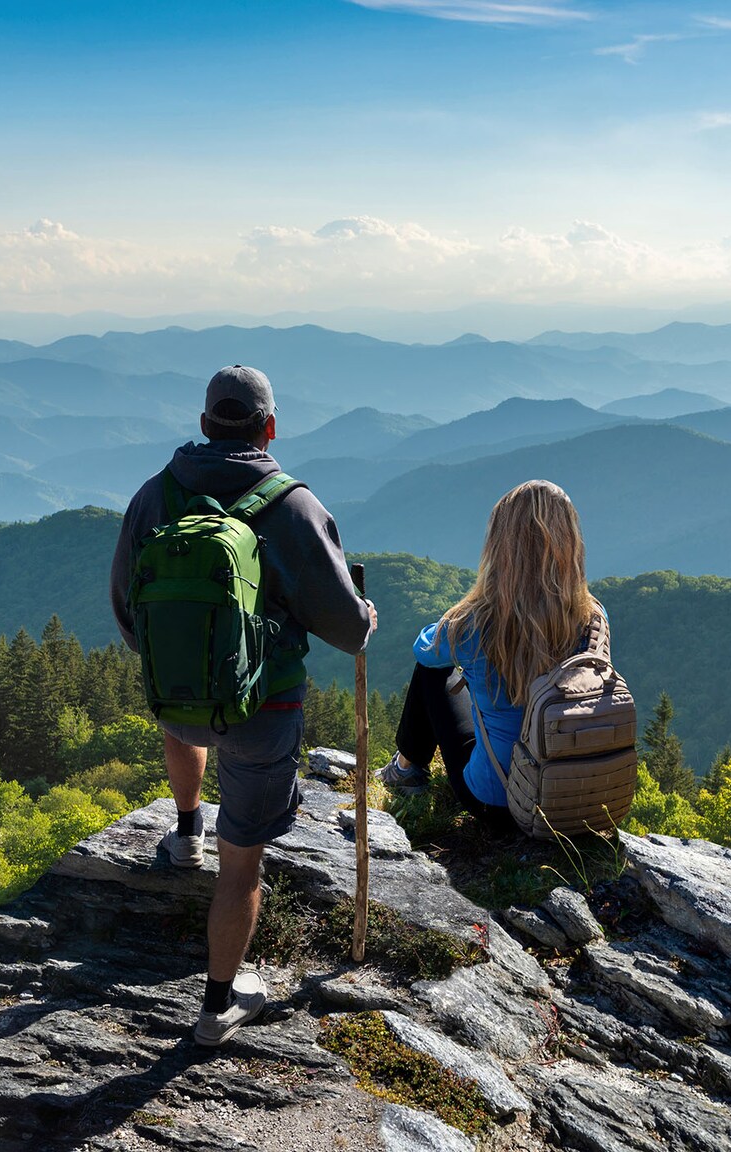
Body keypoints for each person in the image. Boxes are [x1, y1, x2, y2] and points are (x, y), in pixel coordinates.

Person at [110, 364, 374, 1047]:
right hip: (265, 712)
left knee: (184, 716)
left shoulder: (154, 497)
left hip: (176, 701)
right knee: (243, 866)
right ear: (270, 427)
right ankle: (217, 1006)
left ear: (203, 425)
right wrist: (366, 616)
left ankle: (185, 830)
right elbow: (347, 630)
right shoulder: (293, 507)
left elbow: (126, 608)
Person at [377, 480, 602, 831]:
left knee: (433, 673)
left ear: (501, 546)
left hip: (496, 801)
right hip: (572, 800)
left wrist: (464, 610)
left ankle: (405, 770)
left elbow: (424, 649)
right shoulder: (593, 618)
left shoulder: (478, 622)